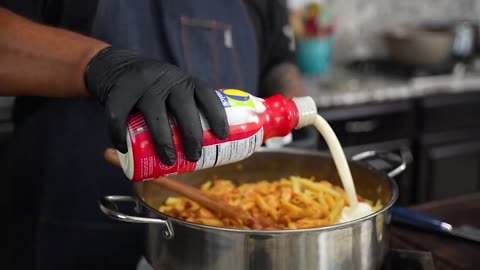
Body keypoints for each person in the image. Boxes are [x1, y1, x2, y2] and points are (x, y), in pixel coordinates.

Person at [0, 0, 305, 269]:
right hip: (70, 225)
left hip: (219, 250)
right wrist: (97, 64)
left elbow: (278, 59)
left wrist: (292, 107)